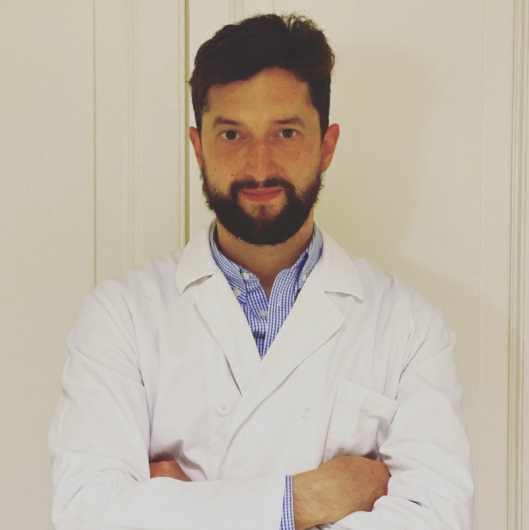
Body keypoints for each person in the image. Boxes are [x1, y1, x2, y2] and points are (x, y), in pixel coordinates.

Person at [49, 13, 473, 530]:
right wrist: (309, 498)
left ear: (327, 146)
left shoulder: (409, 328)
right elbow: (86, 512)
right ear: (198, 148)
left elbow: (436, 517)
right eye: (232, 134)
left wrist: (181, 507)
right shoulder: (121, 317)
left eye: (286, 132)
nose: (259, 165)